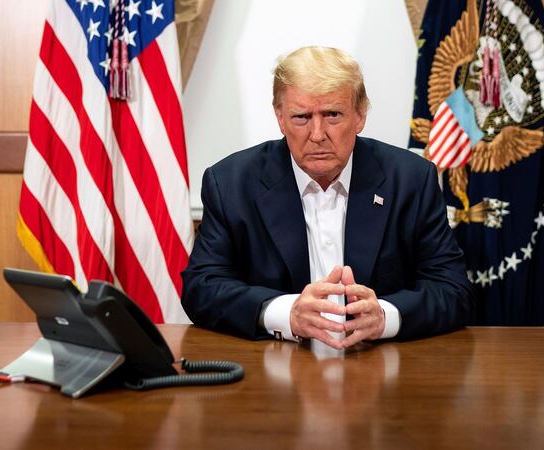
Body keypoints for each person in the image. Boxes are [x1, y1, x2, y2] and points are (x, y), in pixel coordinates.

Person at [181, 46, 472, 349]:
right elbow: (202, 288)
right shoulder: (231, 183)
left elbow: (452, 290)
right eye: (301, 117)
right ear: (280, 117)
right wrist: (285, 313)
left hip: (379, 370)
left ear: (360, 115)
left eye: (332, 114)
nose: (317, 134)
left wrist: (385, 316)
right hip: (276, 372)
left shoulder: (411, 179)